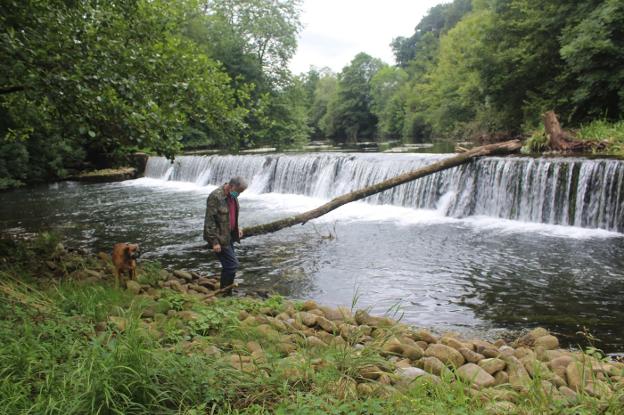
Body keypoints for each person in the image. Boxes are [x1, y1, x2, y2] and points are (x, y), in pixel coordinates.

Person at [203, 176, 248, 294]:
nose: (239, 194)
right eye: (239, 191)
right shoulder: (215, 196)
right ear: (232, 186)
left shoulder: (233, 196)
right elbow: (209, 220)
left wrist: (237, 227)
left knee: (229, 265)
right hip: (219, 238)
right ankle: (225, 292)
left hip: (229, 237)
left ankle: (227, 291)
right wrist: (214, 241)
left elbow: (231, 215)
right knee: (232, 265)